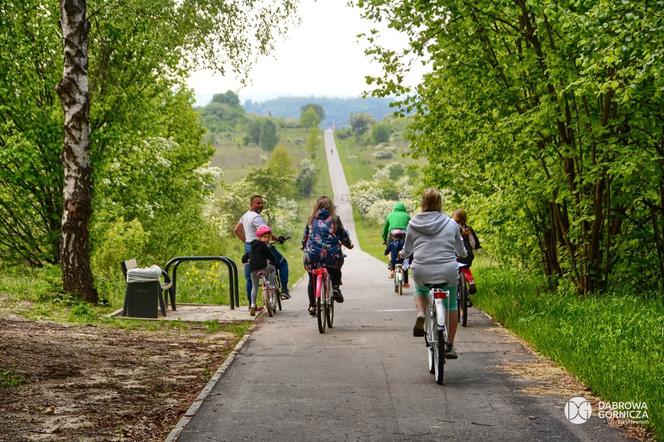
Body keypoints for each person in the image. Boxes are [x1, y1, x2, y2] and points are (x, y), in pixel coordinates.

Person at [400, 188, 467, 359]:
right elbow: (460, 249)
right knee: (452, 304)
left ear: (423, 203)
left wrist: (402, 254)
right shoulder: (451, 223)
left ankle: (421, 312)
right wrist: (463, 254)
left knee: (420, 291)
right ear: (440, 204)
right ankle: (450, 344)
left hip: (422, 270)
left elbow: (407, 250)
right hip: (447, 270)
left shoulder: (413, 223)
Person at [302, 196, 354, 316]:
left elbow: (305, 236)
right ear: (331, 207)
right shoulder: (335, 219)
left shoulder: (310, 219)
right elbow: (343, 236)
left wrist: (303, 245)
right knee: (335, 267)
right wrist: (349, 245)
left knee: (312, 278)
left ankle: (312, 306)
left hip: (313, 254)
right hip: (331, 253)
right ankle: (335, 287)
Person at [234, 195, 290, 308]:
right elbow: (266, 233)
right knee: (282, 263)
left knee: (250, 276)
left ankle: (251, 305)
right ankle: (284, 290)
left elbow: (237, 230)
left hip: (249, 247)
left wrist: (247, 241)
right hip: (263, 247)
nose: (260, 205)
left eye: (261, 203)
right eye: (257, 203)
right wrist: (277, 238)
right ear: (251, 204)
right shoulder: (256, 217)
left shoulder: (245, 216)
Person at [247, 225, 278, 316]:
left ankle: (253, 304)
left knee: (254, 287)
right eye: (265, 237)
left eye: (268, 237)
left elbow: (246, 256)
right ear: (260, 238)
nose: (267, 239)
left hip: (253, 269)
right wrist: (274, 262)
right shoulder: (264, 246)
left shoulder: (252, 247)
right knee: (272, 269)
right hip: (263, 267)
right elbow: (271, 256)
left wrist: (244, 261)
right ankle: (272, 285)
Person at [452, 208, 480, 295]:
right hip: (467, 254)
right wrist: (474, 248)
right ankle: (471, 282)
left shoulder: (451, 228)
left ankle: (454, 288)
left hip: (454, 255)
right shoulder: (468, 229)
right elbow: (474, 243)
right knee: (465, 268)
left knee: (453, 270)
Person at [382, 202, 411, 279]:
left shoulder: (390, 215)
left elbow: (385, 228)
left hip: (392, 234)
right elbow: (411, 228)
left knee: (391, 250)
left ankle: (391, 270)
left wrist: (384, 238)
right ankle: (406, 280)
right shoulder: (407, 216)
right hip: (404, 235)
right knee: (405, 254)